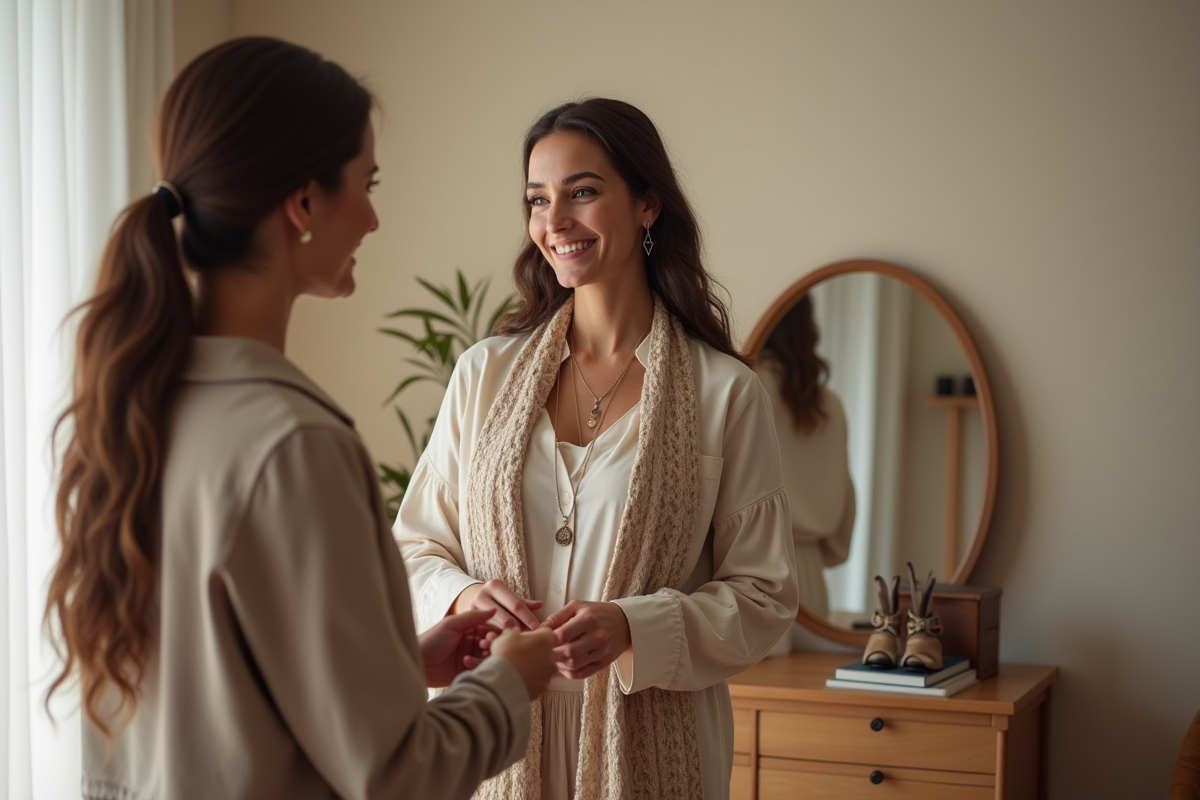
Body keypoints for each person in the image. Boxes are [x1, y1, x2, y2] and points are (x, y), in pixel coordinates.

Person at [43, 36, 557, 800]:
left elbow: (207, 696)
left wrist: (400, 663)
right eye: (366, 183)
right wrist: (509, 683)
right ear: (305, 203)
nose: (373, 219)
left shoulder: (130, 413)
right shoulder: (294, 445)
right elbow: (394, 775)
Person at [395, 98, 799, 800]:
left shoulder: (724, 393)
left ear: (648, 204)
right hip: (493, 736)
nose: (554, 222)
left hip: (649, 751)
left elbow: (764, 595)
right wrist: (462, 597)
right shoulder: (484, 375)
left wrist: (634, 627)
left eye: (581, 192)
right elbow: (412, 549)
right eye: (537, 199)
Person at [754, 295, 856, 655]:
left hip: (756, 572)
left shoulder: (746, 386)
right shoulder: (830, 405)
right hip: (812, 585)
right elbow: (846, 509)